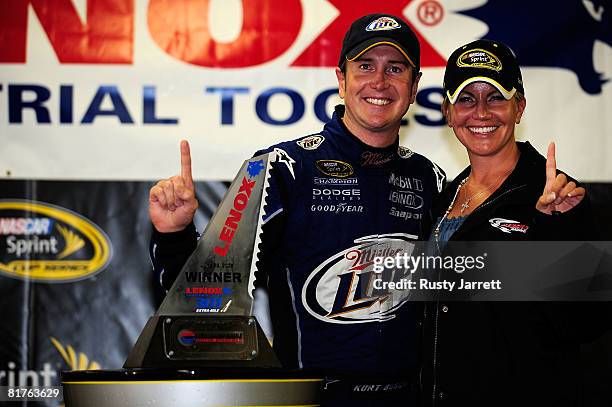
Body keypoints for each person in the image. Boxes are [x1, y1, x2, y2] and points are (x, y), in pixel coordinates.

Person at [148, 13, 445, 405]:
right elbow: (202, 292)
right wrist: (174, 233)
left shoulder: (432, 179)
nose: (380, 82)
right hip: (311, 397)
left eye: (395, 68)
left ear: (414, 86)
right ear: (341, 80)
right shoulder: (281, 167)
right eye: (365, 66)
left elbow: (463, 299)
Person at [421, 39, 609, 406]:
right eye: (465, 99)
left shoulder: (558, 196)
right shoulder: (443, 198)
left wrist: (554, 231)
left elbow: (587, 324)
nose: (481, 112)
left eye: (495, 97)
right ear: (447, 111)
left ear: (519, 106)